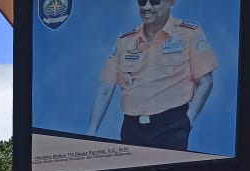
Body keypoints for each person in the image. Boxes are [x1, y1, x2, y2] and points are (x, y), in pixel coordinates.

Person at [89, 0, 217, 152]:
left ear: (170, 3)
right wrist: (91, 133)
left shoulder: (188, 33)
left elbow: (206, 81)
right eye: (142, 1)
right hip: (132, 129)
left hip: (171, 127)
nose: (147, 7)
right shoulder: (125, 41)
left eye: (155, 1)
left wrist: (188, 120)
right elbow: (105, 88)